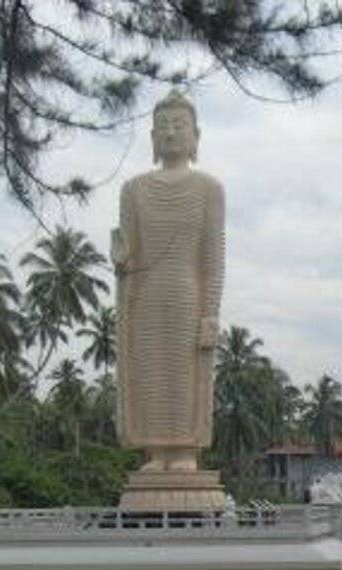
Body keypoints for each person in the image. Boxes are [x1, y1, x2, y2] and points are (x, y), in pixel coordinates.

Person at [113, 89, 225, 474]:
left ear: (196, 134)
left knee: (183, 374)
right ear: (152, 137)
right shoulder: (133, 189)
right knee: (148, 374)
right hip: (144, 298)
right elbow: (127, 251)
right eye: (163, 127)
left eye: (179, 125)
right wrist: (121, 261)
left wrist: (210, 313)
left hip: (186, 295)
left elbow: (212, 257)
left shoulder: (208, 189)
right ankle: (154, 451)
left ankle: (184, 451)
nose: (171, 133)